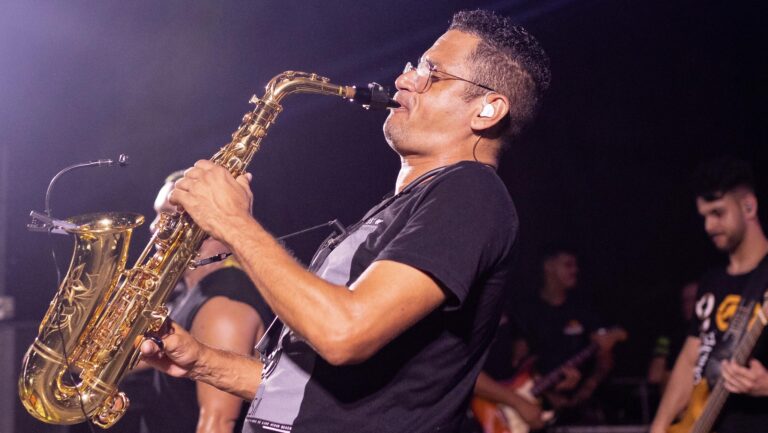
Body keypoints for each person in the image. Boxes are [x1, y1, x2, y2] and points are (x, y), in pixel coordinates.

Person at [140, 9, 551, 433]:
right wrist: (200, 360)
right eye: (413, 66)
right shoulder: (403, 207)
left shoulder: (471, 192)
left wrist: (233, 222)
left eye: (432, 73)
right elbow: (309, 397)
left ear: (487, 110)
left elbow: (343, 334)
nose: (404, 80)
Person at [650, 158, 768, 433]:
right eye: (704, 216)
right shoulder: (711, 282)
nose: (709, 226)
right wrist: (659, 426)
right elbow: (690, 359)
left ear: (749, 207)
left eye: (717, 213)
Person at [510, 246, 618, 425]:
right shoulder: (526, 310)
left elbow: (605, 356)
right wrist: (548, 393)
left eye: (576, 265)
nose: (575, 270)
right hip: (535, 405)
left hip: (582, 406)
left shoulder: (585, 307)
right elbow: (518, 361)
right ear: (548, 266)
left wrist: (588, 386)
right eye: (568, 265)